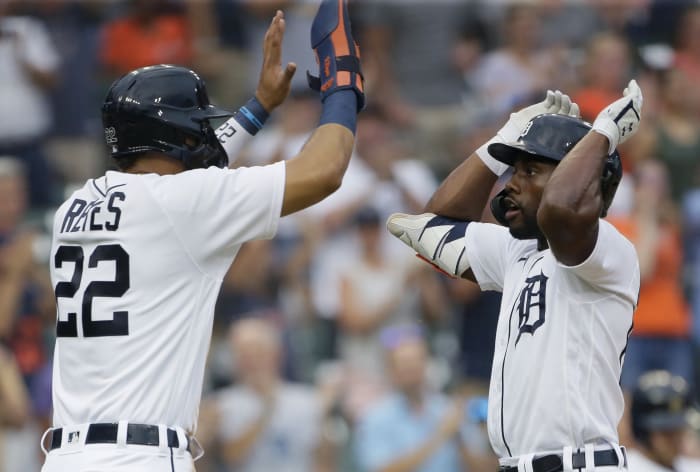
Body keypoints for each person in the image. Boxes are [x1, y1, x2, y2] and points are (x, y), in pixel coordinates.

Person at [40, 0, 364, 470]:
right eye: (195, 132)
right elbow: (325, 170)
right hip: (141, 456)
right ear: (176, 136)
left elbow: (195, 172)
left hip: (67, 456)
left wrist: (258, 109)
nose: (203, 140)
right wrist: (342, 81)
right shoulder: (183, 204)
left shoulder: (74, 205)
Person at [387, 81, 643, 471]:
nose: (512, 184)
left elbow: (560, 210)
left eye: (531, 170)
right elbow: (429, 226)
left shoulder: (609, 250)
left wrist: (603, 135)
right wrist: (501, 141)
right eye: (513, 171)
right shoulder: (515, 250)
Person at [198, 318, 326, 472]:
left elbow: (322, 459)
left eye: (258, 351)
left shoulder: (307, 400)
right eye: (244, 353)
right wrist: (266, 411)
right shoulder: (220, 404)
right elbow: (231, 456)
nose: (252, 360)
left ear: (277, 353)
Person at [354, 324, 475, 472]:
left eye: (417, 361)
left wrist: (459, 440)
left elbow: (483, 467)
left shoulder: (447, 408)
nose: (412, 369)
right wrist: (440, 435)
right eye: (405, 364)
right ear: (391, 370)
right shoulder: (375, 417)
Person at [626, 370, 700, 471]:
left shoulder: (688, 465)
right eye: (667, 433)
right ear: (643, 434)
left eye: (679, 430)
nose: (676, 440)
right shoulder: (625, 468)